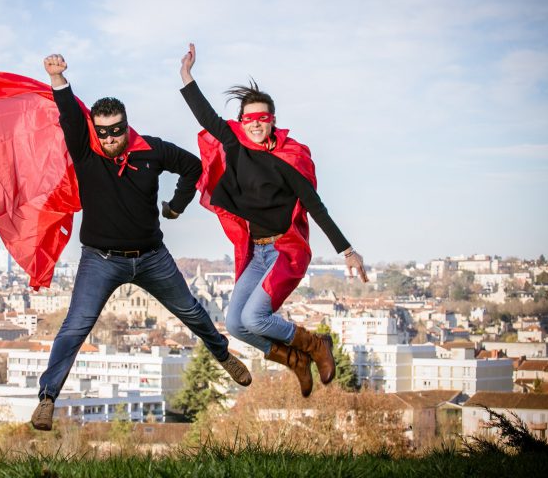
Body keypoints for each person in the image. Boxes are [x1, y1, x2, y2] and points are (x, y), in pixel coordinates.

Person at [30, 53, 251, 431]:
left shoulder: (151, 149)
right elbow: (68, 115)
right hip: (100, 259)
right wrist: (58, 79)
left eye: (116, 129)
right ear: (94, 132)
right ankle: (47, 399)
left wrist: (177, 207)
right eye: (103, 132)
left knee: (194, 313)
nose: (111, 137)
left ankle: (222, 354)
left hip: (151, 257)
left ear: (126, 124)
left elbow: (193, 167)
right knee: (74, 327)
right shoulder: (85, 153)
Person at [178, 43, 368, 398]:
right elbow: (206, 118)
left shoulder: (289, 159)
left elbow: (315, 205)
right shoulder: (234, 145)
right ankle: (294, 360)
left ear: (273, 121)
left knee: (254, 319)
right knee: (235, 323)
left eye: (262, 118)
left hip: (283, 251)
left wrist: (347, 251)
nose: (255, 125)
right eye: (248, 119)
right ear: (241, 122)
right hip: (257, 253)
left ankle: (315, 344)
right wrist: (187, 76)